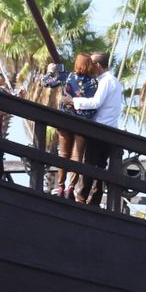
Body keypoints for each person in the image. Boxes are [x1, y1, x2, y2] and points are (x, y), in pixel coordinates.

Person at [63, 50, 121, 204]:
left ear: (98, 65)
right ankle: (94, 200)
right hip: (111, 128)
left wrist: (73, 101)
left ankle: (82, 197)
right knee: (101, 167)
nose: (89, 66)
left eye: (92, 63)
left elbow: (96, 103)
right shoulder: (115, 81)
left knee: (90, 164)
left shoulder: (105, 81)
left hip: (100, 128)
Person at [41, 52, 97, 198]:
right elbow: (94, 105)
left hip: (64, 119)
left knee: (64, 154)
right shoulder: (93, 83)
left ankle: (60, 186)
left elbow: (46, 82)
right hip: (82, 121)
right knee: (77, 156)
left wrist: (50, 70)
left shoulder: (68, 77)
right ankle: (70, 188)